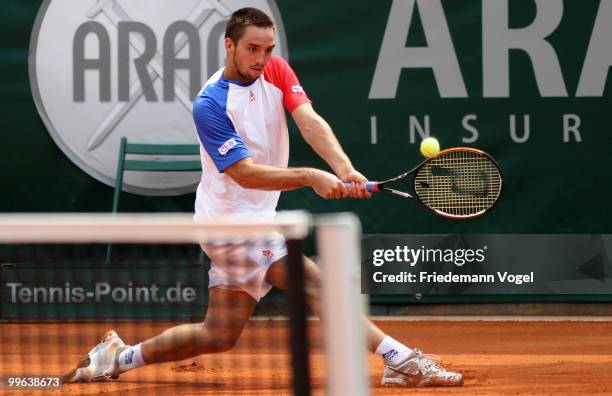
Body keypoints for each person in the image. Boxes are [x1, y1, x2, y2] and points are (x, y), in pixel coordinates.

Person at [66, 7, 462, 388]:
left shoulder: (274, 70)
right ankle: (400, 359)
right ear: (229, 45)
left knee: (217, 334)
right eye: (252, 49)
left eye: (268, 49)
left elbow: (309, 121)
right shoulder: (211, 104)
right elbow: (245, 173)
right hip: (229, 225)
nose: (262, 58)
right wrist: (310, 177)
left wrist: (343, 169)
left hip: (255, 219)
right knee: (318, 284)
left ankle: (116, 358)